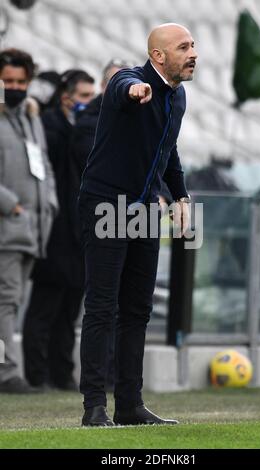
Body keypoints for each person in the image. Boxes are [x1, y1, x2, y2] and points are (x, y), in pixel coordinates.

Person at [79, 23, 197, 426]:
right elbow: (119, 84)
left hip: (146, 209)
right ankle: (94, 406)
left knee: (137, 310)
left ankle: (129, 404)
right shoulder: (135, 82)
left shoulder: (177, 97)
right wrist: (133, 89)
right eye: (184, 47)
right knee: (101, 306)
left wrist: (180, 195)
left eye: (194, 45)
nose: (194, 52)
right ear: (159, 56)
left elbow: (170, 152)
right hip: (106, 203)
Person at [22, 70, 95, 391]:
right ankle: (37, 375)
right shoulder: (48, 127)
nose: (88, 103)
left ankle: (62, 373)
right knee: (45, 307)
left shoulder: (84, 130)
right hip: (54, 232)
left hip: (78, 233)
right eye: (83, 96)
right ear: (66, 97)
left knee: (69, 311)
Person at [70, 60, 131, 391]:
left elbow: (162, 156)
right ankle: (94, 390)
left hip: (135, 218)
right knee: (100, 305)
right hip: (103, 216)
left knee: (130, 308)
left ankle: (121, 385)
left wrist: (165, 194)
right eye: (116, 83)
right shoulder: (88, 123)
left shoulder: (144, 117)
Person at [0, 48, 58, 393]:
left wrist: (48, 202)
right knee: (5, 301)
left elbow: (45, 164)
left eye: (21, 81)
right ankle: (7, 373)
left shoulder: (32, 117)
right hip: (7, 226)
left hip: (33, 228)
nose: (15, 87)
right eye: (8, 80)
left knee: (13, 301)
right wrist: (12, 206)